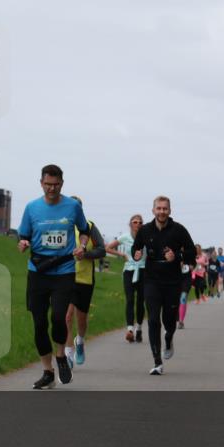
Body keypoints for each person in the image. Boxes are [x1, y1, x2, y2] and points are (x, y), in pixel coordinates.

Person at [17, 165, 90, 389]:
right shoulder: (32, 208)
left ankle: (60, 356)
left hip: (64, 270)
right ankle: (47, 371)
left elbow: (84, 230)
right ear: (41, 183)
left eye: (56, 184)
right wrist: (23, 242)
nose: (52, 188)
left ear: (62, 184)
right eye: (48, 184)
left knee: (59, 317)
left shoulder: (72, 206)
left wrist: (82, 246)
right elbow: (23, 235)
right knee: (39, 323)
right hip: (38, 271)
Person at [132, 196, 196, 375]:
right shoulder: (145, 230)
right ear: (153, 210)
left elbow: (192, 252)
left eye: (165, 209)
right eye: (158, 208)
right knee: (153, 319)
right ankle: (157, 362)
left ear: (170, 211)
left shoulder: (179, 230)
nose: (161, 212)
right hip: (151, 280)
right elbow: (136, 248)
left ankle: (168, 338)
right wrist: (136, 254)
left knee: (169, 321)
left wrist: (177, 256)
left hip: (172, 281)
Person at [63, 196, 106, 367]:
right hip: (64, 277)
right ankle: (68, 353)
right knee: (67, 316)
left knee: (81, 319)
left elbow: (102, 250)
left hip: (84, 279)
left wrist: (85, 255)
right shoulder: (60, 226)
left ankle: (79, 341)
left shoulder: (89, 227)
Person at [105, 214, 146, 343]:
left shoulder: (146, 237)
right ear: (130, 224)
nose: (137, 224)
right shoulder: (125, 237)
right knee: (130, 299)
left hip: (143, 271)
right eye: (135, 222)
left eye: (140, 222)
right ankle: (130, 330)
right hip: (129, 271)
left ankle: (139, 328)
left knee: (140, 301)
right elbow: (107, 248)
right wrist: (121, 254)